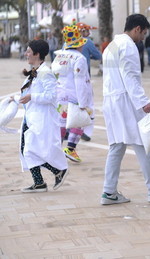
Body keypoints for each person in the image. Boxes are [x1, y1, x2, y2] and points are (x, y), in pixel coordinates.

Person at [101, 14, 150, 205]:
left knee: (116, 146)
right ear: (137, 29)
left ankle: (109, 191)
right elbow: (130, 76)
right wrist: (143, 101)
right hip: (127, 102)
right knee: (145, 145)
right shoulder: (128, 46)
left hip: (112, 101)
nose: (143, 37)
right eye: (143, 33)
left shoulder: (111, 45)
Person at [18, 39, 69, 193]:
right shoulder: (36, 71)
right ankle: (39, 182)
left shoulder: (46, 73)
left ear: (37, 54)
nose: (26, 54)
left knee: (32, 149)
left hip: (42, 117)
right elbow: (27, 93)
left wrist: (32, 97)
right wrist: (14, 99)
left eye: (28, 51)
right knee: (26, 148)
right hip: (32, 116)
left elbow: (52, 96)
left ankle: (57, 170)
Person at [51, 25, 94, 163]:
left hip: (59, 95)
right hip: (74, 95)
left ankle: (56, 149)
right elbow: (80, 81)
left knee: (61, 123)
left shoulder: (58, 56)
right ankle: (70, 148)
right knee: (79, 121)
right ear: (79, 44)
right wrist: (83, 102)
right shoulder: (79, 58)